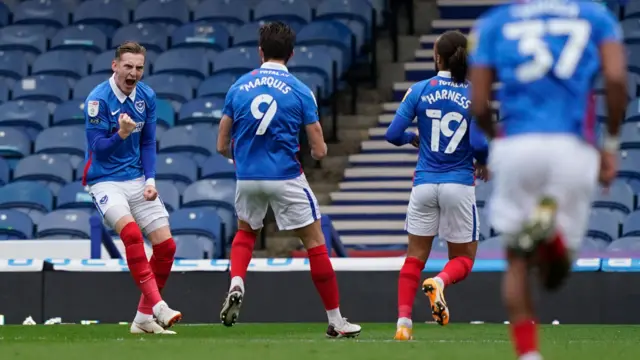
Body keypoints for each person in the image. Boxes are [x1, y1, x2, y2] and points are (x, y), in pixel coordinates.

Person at [468, 1, 626, 359]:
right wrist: (611, 145)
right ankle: (550, 239)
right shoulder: (596, 15)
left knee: (516, 260)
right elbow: (616, 80)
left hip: (518, 144)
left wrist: (499, 143)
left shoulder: (493, 22)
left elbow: (478, 103)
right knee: (556, 274)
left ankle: (528, 355)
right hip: (572, 145)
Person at [215, 21, 361, 338]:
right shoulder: (299, 89)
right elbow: (318, 143)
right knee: (313, 242)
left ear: (260, 51)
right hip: (284, 175)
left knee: (245, 233)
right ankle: (336, 321)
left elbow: (221, 141)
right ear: (292, 53)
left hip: (248, 175)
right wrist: (318, 152)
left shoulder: (239, 86)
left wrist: (235, 156)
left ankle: (237, 280)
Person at [385, 30, 490, 341]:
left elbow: (392, 134)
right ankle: (441, 282)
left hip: (424, 184)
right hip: (458, 184)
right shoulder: (475, 94)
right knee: (464, 260)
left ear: (437, 57)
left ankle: (403, 323)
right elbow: (480, 143)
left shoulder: (418, 90)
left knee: (414, 257)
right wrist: (482, 161)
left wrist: (411, 138)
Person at [83, 41, 182, 335]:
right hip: (105, 180)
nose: (133, 73)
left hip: (137, 178)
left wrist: (151, 180)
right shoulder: (97, 100)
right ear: (115, 66)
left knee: (166, 246)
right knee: (130, 234)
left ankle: (142, 320)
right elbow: (97, 149)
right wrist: (121, 135)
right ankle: (158, 306)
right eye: (128, 66)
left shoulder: (147, 96)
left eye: (139, 67)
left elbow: (149, 142)